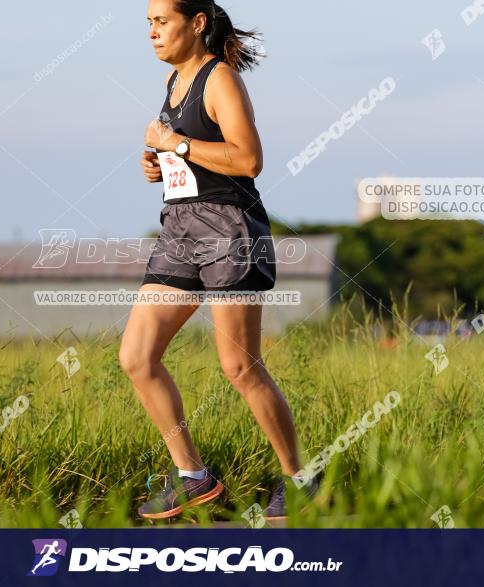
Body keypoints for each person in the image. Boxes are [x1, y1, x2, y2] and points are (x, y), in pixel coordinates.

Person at [120, 0, 319, 521]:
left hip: (228, 229)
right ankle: (194, 477)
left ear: (197, 23)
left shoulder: (220, 78)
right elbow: (196, 156)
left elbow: (248, 159)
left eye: (162, 22)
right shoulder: (174, 84)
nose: (152, 33)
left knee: (238, 365)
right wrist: (160, 164)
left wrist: (176, 146)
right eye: (149, 24)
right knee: (137, 357)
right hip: (180, 228)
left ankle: (301, 480)